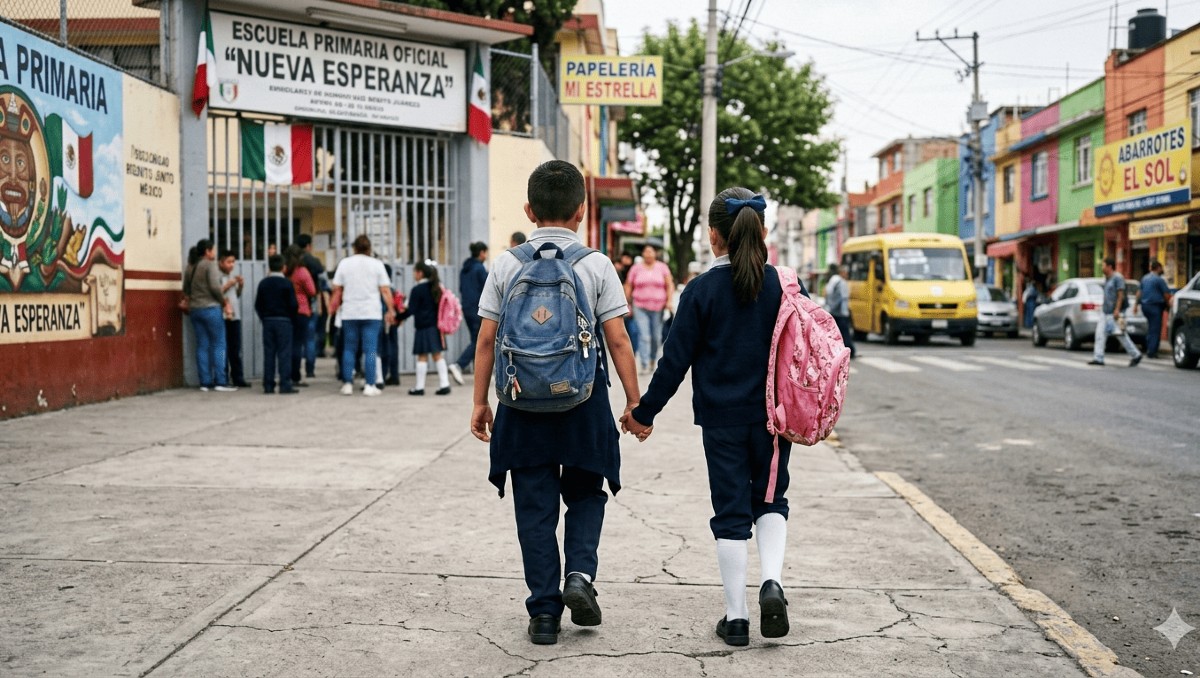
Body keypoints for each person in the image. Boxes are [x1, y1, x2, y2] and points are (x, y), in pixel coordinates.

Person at [469, 160, 641, 647]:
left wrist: (481, 402)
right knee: (586, 492)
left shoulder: (505, 263)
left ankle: (544, 614)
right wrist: (635, 403)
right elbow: (619, 340)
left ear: (529, 209)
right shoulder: (596, 264)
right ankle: (580, 576)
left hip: (521, 405)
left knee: (534, 508)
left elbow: (485, 340)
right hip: (583, 402)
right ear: (582, 211)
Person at [622, 187, 799, 647]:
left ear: (714, 237)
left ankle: (736, 619)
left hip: (721, 422)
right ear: (760, 234)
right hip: (772, 421)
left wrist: (644, 413)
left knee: (730, 513)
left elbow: (674, 362)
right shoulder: (781, 285)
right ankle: (772, 583)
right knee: (771, 500)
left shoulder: (699, 291)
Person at [330, 235, 396, 396]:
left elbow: (337, 289)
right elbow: (385, 290)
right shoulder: (377, 264)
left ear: (354, 248)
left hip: (350, 312)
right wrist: (391, 309)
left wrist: (333, 308)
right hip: (371, 312)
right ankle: (370, 385)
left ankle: (347, 384)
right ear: (369, 248)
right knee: (371, 350)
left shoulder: (345, 264)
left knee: (349, 349)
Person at [184, 239, 237, 392]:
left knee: (202, 345)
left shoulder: (190, 267)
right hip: (211, 308)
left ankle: (204, 382)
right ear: (207, 251)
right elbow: (215, 287)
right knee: (219, 343)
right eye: (213, 250)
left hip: (195, 310)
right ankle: (220, 380)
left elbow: (186, 289)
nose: (214, 253)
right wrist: (223, 302)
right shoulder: (209, 265)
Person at [398, 261, 452, 396]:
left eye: (414, 272)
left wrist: (398, 317)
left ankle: (419, 387)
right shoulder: (436, 287)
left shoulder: (417, 290)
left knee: (422, 356)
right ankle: (444, 384)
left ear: (419, 273)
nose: (413, 274)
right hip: (435, 326)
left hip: (423, 327)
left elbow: (411, 310)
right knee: (438, 355)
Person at [625, 243, 675, 373]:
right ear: (643, 254)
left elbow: (669, 285)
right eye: (646, 251)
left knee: (656, 336)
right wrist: (627, 303)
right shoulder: (636, 268)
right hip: (640, 306)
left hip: (658, 307)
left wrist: (669, 301)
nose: (648, 254)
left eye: (651, 251)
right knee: (644, 335)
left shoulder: (662, 267)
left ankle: (653, 359)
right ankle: (645, 363)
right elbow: (628, 285)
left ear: (655, 253)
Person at [255, 254, 299, 394]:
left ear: (269, 267)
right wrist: (291, 317)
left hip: (268, 321)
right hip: (284, 321)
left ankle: (268, 385)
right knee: (284, 353)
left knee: (269, 353)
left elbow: (258, 305)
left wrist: (264, 317)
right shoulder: (287, 284)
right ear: (284, 268)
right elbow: (293, 304)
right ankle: (285, 384)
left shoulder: (263, 283)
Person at [1089, 256, 1142, 367]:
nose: (1102, 268)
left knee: (1121, 335)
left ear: (1110, 266)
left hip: (1115, 313)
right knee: (1100, 334)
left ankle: (1136, 355)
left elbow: (1120, 294)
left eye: (1103, 266)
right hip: (1105, 312)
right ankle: (1098, 358)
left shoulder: (1118, 278)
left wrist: (1117, 310)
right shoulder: (1107, 279)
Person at [450, 241, 489, 385]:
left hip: (466, 308)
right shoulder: (479, 269)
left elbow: (461, 288)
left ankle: (476, 371)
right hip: (478, 309)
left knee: (476, 338)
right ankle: (459, 365)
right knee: (480, 340)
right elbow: (488, 289)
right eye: (485, 252)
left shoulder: (464, 269)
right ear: (481, 253)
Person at [284, 245, 317, 387]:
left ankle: (285, 374)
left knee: (286, 345)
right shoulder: (302, 271)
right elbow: (312, 291)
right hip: (302, 309)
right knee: (298, 345)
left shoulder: (284, 270)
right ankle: (295, 376)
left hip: (286, 310)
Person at [296, 233, 326, 379]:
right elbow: (323, 282)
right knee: (310, 338)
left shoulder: (292, 261)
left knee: (295, 339)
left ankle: (294, 369)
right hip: (311, 301)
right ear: (308, 246)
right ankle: (310, 369)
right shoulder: (315, 262)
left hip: (295, 302)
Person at [218, 250, 249, 388]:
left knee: (235, 348)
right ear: (221, 262)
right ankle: (223, 377)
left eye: (233, 262)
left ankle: (238, 377)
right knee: (223, 347)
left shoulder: (230, 275)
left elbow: (235, 295)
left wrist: (240, 286)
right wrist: (226, 286)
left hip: (234, 315)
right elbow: (215, 294)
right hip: (223, 315)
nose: (231, 265)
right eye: (228, 262)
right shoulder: (217, 276)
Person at [1135, 259, 1171, 359]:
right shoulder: (1159, 280)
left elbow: (1139, 293)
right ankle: (1152, 351)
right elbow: (1166, 294)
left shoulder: (1144, 278)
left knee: (1151, 328)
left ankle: (1149, 347)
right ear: (1158, 268)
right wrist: (1169, 306)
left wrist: (1135, 305)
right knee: (1155, 329)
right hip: (1155, 307)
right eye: (1161, 268)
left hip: (1145, 306)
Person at [824, 262, 856, 358]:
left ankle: (835, 351)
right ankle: (850, 351)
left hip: (834, 312)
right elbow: (843, 297)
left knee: (835, 333)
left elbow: (828, 294)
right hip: (841, 312)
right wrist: (843, 310)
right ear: (842, 272)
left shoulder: (832, 280)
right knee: (845, 333)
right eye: (846, 272)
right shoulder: (841, 282)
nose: (847, 274)